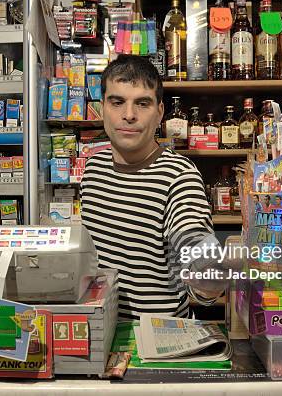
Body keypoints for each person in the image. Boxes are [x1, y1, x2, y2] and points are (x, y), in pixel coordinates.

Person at [80, 55, 223, 320]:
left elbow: (192, 240)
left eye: (142, 103)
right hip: (101, 328)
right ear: (103, 108)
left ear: (159, 113)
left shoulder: (179, 176)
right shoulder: (93, 167)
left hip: (159, 339)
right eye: (117, 102)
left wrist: (206, 274)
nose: (129, 115)